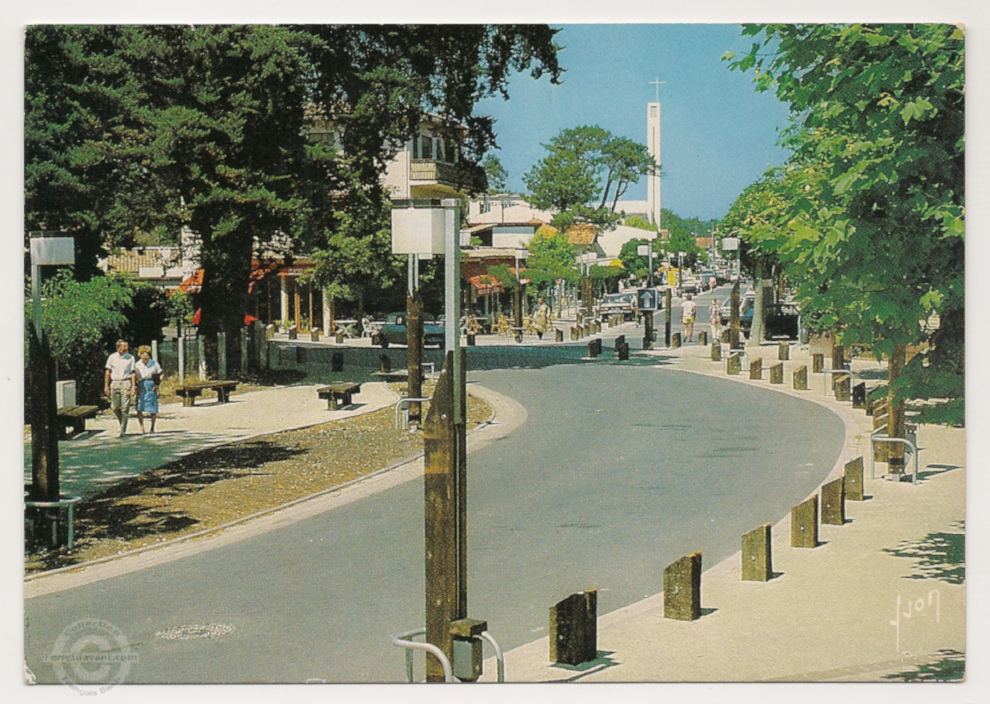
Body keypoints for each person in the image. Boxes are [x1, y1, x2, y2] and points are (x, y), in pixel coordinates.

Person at [104, 339, 137, 438]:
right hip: (114, 382)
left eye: (127, 346)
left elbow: (133, 373)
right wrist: (106, 385)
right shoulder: (112, 357)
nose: (126, 348)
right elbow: (108, 371)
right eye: (124, 346)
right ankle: (121, 422)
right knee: (115, 407)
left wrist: (133, 386)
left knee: (125, 407)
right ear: (118, 348)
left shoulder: (130, 358)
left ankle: (122, 429)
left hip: (126, 382)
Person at [135, 345, 164, 433]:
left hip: (151, 384)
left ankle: (152, 427)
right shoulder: (137, 364)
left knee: (153, 407)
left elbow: (162, 374)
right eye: (143, 355)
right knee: (140, 407)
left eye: (146, 355)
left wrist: (157, 384)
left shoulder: (154, 364)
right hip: (141, 384)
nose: (145, 357)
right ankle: (142, 427)